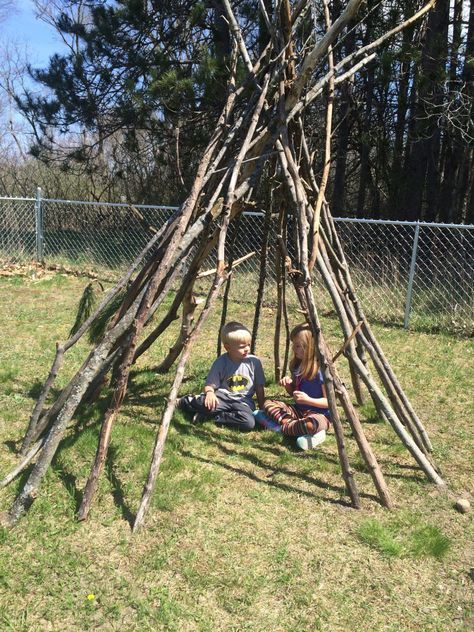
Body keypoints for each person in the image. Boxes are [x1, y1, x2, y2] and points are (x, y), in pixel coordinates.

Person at [178, 321, 265, 430]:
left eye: (248, 345)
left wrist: (262, 408)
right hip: (222, 398)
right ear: (228, 347)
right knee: (206, 403)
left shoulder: (254, 362)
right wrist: (210, 394)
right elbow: (209, 385)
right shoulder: (221, 362)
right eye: (242, 346)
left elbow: (259, 387)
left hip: (243, 401)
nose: (247, 349)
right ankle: (186, 401)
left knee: (248, 423)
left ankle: (213, 416)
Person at [263, 323, 330, 450]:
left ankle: (282, 428)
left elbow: (329, 402)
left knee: (311, 424)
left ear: (310, 347)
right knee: (268, 404)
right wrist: (288, 386)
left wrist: (309, 400)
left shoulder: (321, 372)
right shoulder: (296, 366)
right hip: (299, 411)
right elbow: (294, 393)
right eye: (294, 344)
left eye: (298, 346)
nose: (294, 348)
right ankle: (297, 429)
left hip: (320, 415)